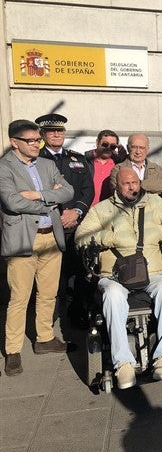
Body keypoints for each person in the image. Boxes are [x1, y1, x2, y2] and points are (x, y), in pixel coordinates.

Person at [75, 168, 162, 389]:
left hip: (150, 269)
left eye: (135, 182)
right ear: (117, 185)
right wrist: (111, 238)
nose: (132, 187)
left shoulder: (155, 203)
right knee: (112, 295)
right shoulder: (102, 209)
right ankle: (123, 363)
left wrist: (157, 233)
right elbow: (80, 236)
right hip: (114, 273)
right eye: (127, 183)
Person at [0, 119, 74, 376]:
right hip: (23, 239)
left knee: (48, 292)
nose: (35, 145)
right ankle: (13, 350)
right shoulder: (4, 167)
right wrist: (47, 201)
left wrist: (36, 194)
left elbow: (68, 191)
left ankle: (44, 338)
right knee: (19, 297)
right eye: (30, 141)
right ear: (14, 142)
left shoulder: (47, 163)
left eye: (37, 140)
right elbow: (12, 201)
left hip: (50, 237)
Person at [36, 113, 94, 323]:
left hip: (74, 225)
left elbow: (88, 190)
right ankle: (49, 315)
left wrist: (76, 211)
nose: (56, 134)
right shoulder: (35, 159)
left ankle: (75, 312)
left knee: (77, 271)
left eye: (59, 130)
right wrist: (56, 215)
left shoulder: (76, 158)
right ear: (42, 133)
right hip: (48, 226)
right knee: (50, 275)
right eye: (51, 131)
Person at [85, 129, 127, 206]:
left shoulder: (119, 164)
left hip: (110, 211)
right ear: (97, 142)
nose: (108, 148)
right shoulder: (84, 161)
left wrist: (124, 158)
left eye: (113, 146)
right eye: (105, 144)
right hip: (86, 210)